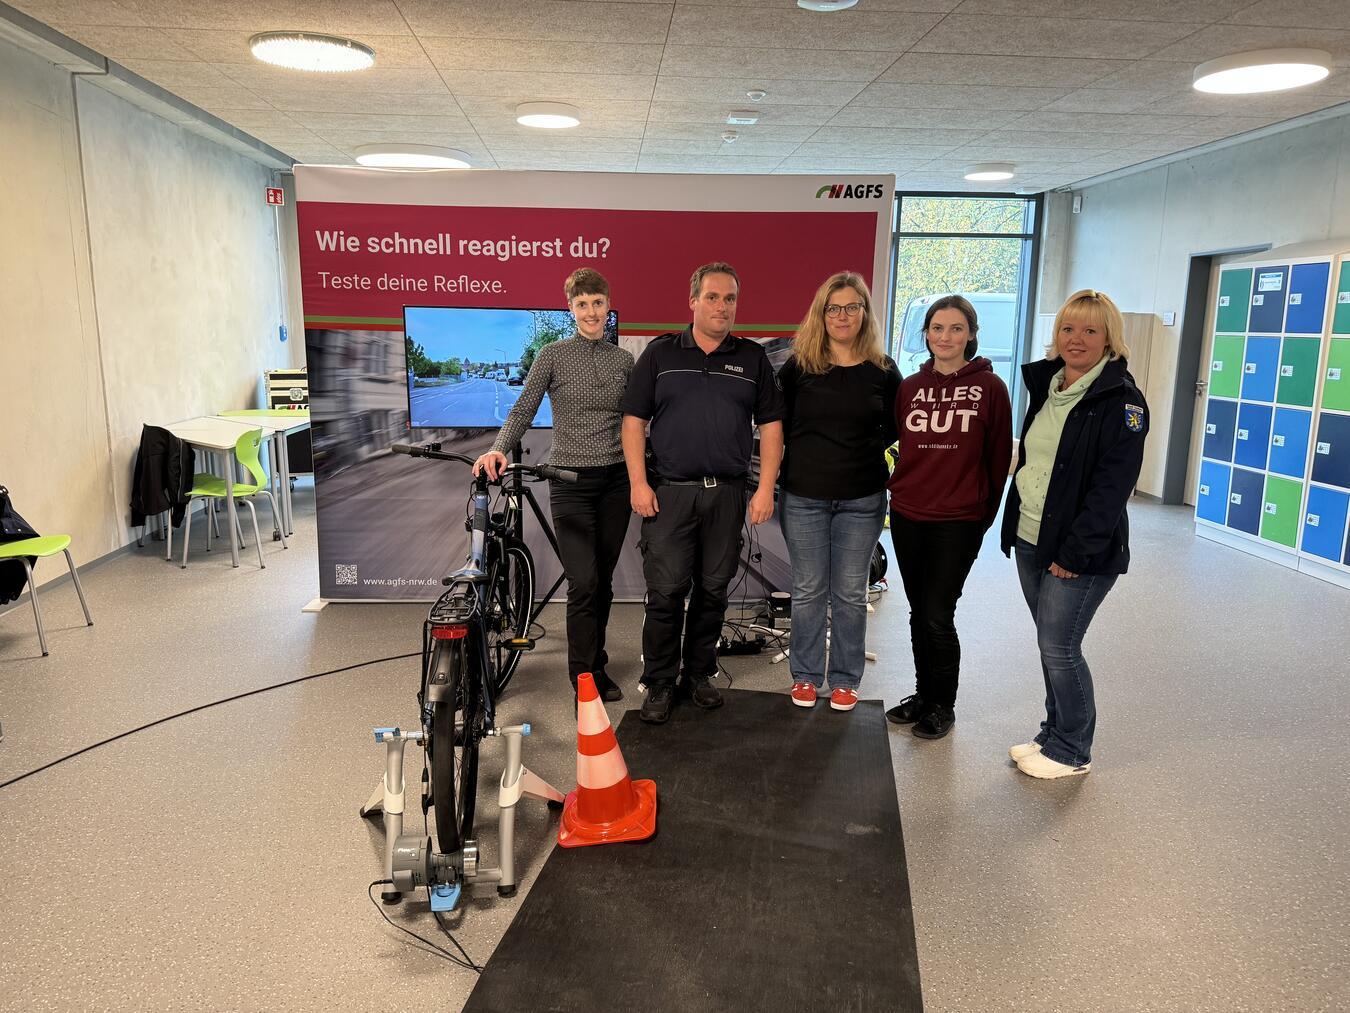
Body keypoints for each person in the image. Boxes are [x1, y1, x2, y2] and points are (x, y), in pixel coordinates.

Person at [620, 262, 785, 724]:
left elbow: (772, 426)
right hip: (670, 494)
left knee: (713, 591)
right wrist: (638, 481)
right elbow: (633, 422)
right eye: (712, 297)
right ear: (692, 300)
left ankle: (699, 674)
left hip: (727, 496)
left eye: (730, 298)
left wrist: (765, 488)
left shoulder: (752, 360)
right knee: (667, 591)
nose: (722, 306)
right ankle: (658, 680)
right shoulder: (659, 355)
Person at [1001, 289, 1147, 779]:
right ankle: (1051, 732)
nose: (1077, 339)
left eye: (1090, 330)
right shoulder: (1050, 386)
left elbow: (1112, 488)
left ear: (1109, 338)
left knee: (1061, 647)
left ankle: (1072, 750)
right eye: (1068, 328)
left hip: (1077, 549)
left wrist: (1076, 552)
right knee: (1048, 641)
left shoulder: (1120, 400)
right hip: (1031, 535)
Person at [473, 268, 634, 703]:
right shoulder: (552, 355)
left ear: (607, 304)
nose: (591, 311)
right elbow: (523, 409)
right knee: (583, 581)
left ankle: (596, 662)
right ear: (571, 309)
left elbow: (637, 420)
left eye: (598, 303)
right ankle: (583, 677)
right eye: (582, 304)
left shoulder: (623, 361)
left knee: (603, 581)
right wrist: (499, 447)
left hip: (616, 482)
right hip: (570, 483)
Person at [884, 295, 1013, 740]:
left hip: (958, 520)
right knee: (920, 611)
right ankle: (922, 695)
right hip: (907, 514)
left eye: (956, 328)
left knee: (939, 612)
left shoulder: (991, 389)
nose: (945, 337)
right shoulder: (909, 388)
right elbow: (900, 443)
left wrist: (983, 516)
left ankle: (943, 704)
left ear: (971, 334)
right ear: (926, 334)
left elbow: (998, 460)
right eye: (937, 328)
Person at [776, 272, 900, 712]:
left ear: (864, 312)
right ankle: (806, 675)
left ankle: (846, 678)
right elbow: (779, 426)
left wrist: (859, 450)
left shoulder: (883, 371)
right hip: (804, 495)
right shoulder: (799, 367)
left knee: (849, 591)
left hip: (862, 498)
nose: (843, 315)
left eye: (852, 307)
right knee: (809, 588)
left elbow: (896, 427)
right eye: (834, 308)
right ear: (821, 314)